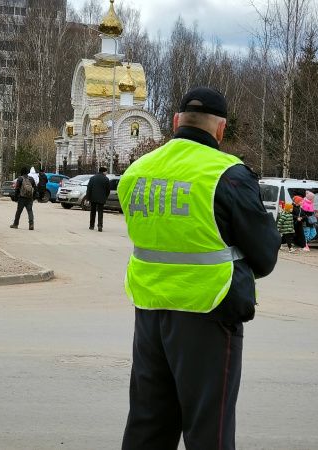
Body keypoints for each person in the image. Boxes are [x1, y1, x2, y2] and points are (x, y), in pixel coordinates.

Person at [118, 87, 280, 450]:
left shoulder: (136, 172)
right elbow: (265, 254)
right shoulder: (227, 174)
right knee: (209, 429)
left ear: (175, 122)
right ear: (220, 130)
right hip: (208, 309)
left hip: (149, 311)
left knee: (148, 423)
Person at [86, 167, 110, 232]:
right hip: (101, 198)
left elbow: (89, 189)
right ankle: (100, 226)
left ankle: (91, 226)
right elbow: (108, 190)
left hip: (93, 198)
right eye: (106, 172)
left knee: (93, 212)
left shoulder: (92, 178)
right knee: (100, 212)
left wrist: (88, 198)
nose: (106, 173)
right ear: (103, 172)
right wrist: (105, 197)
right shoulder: (106, 179)